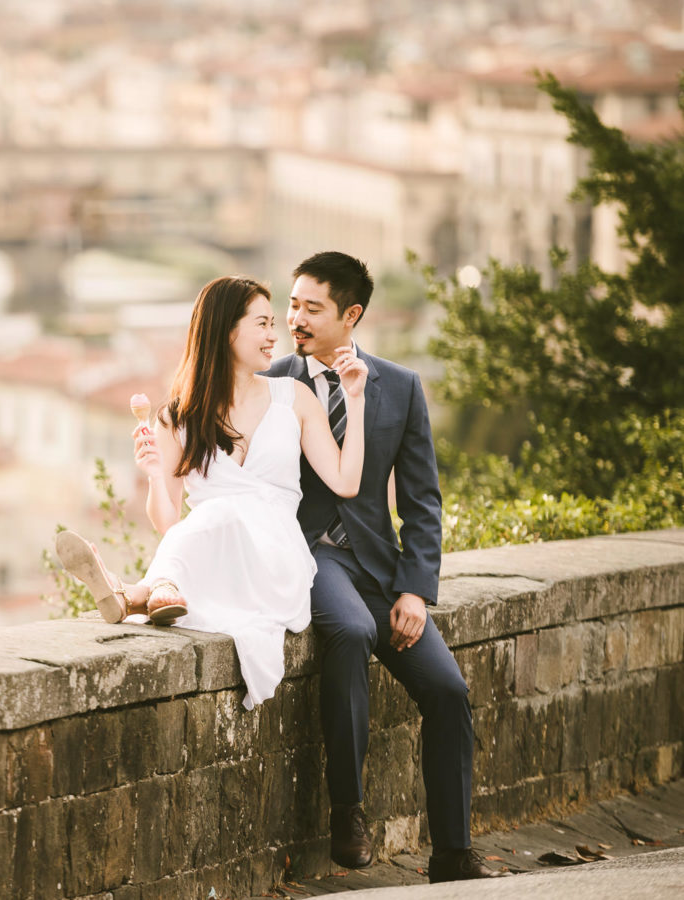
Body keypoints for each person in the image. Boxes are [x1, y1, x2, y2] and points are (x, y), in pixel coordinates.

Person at [266, 251, 507, 884]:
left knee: (448, 691)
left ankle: (452, 854)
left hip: (378, 568)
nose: (295, 319)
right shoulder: (270, 383)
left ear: (351, 315)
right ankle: (348, 810)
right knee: (349, 630)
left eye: (312, 308)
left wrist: (415, 591)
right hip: (307, 555)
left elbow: (423, 501)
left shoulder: (399, 386)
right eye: (292, 304)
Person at [56, 274, 367, 710]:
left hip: (275, 560)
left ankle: (137, 591)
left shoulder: (293, 398)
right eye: (261, 324)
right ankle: (142, 594)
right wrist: (153, 473)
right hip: (216, 558)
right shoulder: (178, 417)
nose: (273, 335)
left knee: (219, 512)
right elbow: (168, 522)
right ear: (226, 330)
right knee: (215, 514)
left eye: (272, 323)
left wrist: (355, 398)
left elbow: (345, 482)